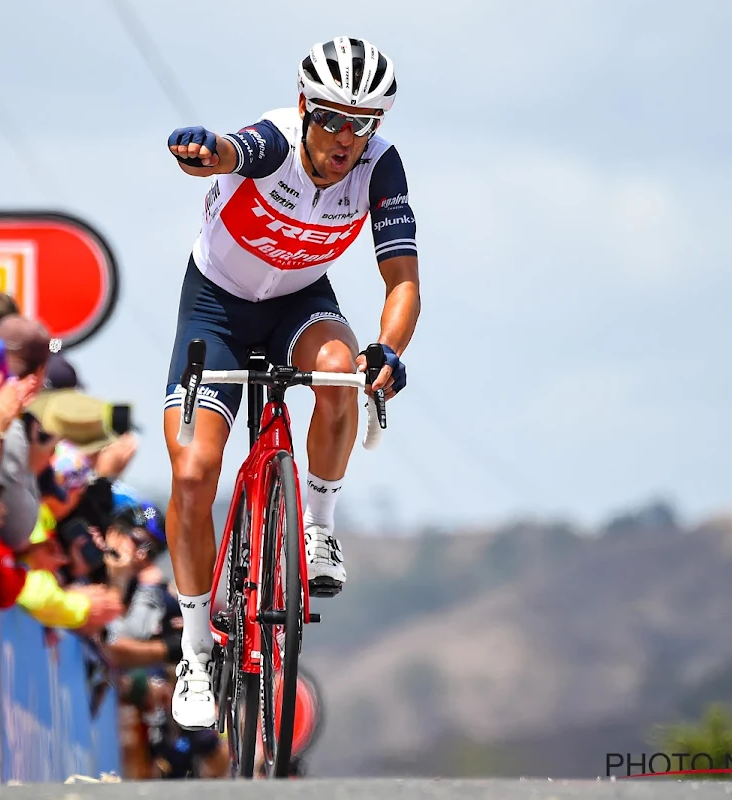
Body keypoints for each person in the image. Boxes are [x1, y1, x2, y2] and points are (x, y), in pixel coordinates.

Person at [161, 36, 421, 729]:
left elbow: (402, 281)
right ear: (306, 107)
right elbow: (227, 151)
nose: (344, 137)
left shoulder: (380, 167)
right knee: (192, 475)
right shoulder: (276, 139)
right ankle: (193, 651)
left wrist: (387, 351)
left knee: (340, 376)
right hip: (215, 307)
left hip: (301, 304)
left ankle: (320, 527)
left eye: (361, 123)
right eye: (331, 117)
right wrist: (201, 149)